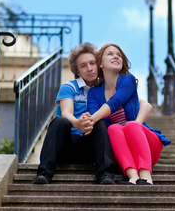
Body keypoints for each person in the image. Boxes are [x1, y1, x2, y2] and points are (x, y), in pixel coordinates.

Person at [87, 43, 171, 185]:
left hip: (147, 145)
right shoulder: (94, 93)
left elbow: (115, 102)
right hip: (119, 149)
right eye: (110, 54)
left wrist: (91, 119)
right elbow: (96, 117)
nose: (116, 56)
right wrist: (88, 120)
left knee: (132, 125)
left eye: (119, 55)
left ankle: (146, 177)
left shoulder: (128, 80)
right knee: (112, 128)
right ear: (100, 63)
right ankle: (133, 176)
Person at [32, 42, 115, 185]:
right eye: (83, 66)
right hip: (66, 147)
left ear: (98, 65)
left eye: (92, 63)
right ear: (77, 71)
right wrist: (77, 123)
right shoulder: (69, 86)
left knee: (100, 123)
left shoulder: (105, 89)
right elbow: (66, 113)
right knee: (59, 121)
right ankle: (44, 174)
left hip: (91, 148)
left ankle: (106, 175)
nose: (89, 69)